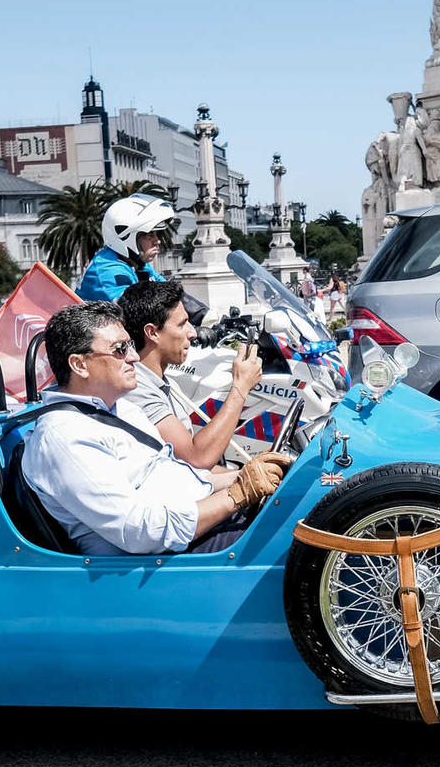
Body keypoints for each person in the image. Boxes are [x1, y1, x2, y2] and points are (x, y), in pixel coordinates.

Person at [21, 302, 289, 555]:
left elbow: (178, 479)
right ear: (79, 364)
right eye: (120, 349)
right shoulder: (65, 437)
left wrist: (242, 477)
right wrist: (237, 495)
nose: (135, 357)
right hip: (163, 557)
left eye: (130, 346)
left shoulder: (120, 407)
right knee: (294, 534)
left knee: (300, 501)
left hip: (196, 526)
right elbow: (140, 531)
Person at [120, 280, 263, 469]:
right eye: (182, 324)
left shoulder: (162, 382)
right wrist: (241, 387)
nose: (192, 333)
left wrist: (248, 474)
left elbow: (195, 473)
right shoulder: (136, 388)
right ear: (152, 332)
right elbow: (196, 459)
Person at [75, 194, 173, 303]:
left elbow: (170, 292)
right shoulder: (109, 271)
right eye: (149, 235)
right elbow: (135, 311)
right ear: (124, 236)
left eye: (156, 234)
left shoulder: (135, 263)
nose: (157, 241)